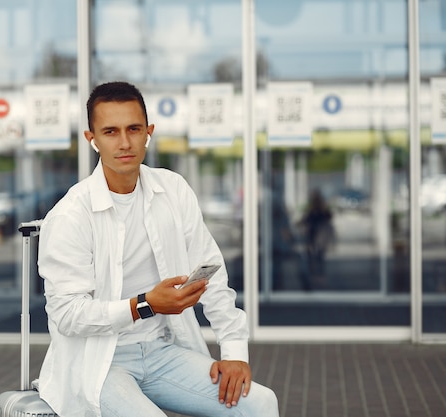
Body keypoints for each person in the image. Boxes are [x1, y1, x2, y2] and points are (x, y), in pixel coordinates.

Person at [36, 81, 279, 417]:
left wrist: (234, 351)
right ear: (91, 139)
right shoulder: (70, 215)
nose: (124, 142)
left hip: (162, 351)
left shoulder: (173, 190)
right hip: (99, 362)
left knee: (261, 403)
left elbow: (212, 272)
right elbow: (67, 314)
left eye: (134, 129)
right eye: (110, 131)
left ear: (148, 132)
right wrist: (143, 305)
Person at [299, 188, 335, 282]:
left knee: (316, 255)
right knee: (316, 255)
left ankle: (316, 274)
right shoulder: (316, 209)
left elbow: (328, 217)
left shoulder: (319, 209)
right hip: (315, 234)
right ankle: (317, 274)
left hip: (317, 235)